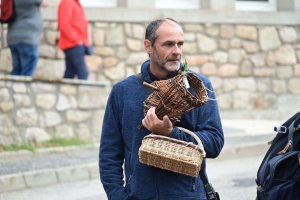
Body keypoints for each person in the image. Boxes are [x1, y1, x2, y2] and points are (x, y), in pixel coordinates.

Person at [99, 18, 224, 200]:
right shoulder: (123, 91)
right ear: (148, 46)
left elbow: (215, 143)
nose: (177, 51)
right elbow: (109, 154)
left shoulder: (198, 87)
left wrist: (171, 133)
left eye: (180, 44)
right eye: (168, 44)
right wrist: (118, 196)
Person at [7, 0, 49, 76]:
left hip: (13, 37)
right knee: (27, 73)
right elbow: (45, 3)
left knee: (17, 70)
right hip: (27, 38)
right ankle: (22, 88)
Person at [57, 0, 90, 80]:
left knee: (69, 74)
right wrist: (77, 40)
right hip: (72, 44)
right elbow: (64, 25)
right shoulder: (67, 2)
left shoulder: (75, 3)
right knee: (83, 72)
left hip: (76, 43)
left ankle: (64, 92)